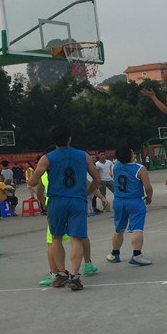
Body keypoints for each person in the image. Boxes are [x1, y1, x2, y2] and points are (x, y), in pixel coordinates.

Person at [27, 124, 101, 291]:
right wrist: (86, 193)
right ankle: (74, 276)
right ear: (69, 138)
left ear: (54, 140)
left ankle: (61, 274)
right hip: (77, 200)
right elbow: (97, 179)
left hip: (56, 201)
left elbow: (32, 182)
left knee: (56, 238)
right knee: (76, 239)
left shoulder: (47, 158)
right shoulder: (83, 155)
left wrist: (32, 176)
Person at [106, 146, 153, 265]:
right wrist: (149, 196)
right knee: (137, 228)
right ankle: (137, 254)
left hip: (118, 201)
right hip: (134, 201)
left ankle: (115, 253)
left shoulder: (115, 166)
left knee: (119, 228)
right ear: (130, 155)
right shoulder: (140, 168)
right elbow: (148, 187)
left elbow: (111, 174)